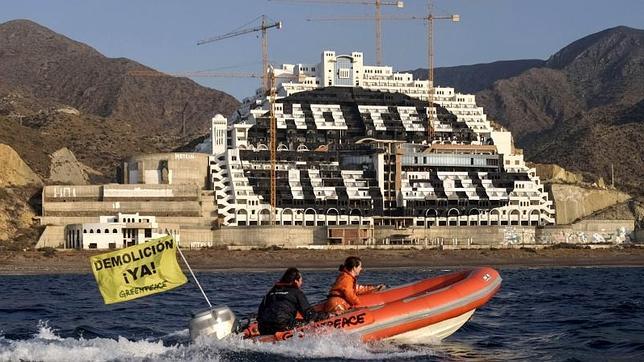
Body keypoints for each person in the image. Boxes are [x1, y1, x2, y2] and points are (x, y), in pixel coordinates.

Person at [256, 267, 327, 335]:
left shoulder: (271, 291)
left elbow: (260, 313)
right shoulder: (296, 292)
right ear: (296, 281)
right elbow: (309, 315)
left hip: (263, 328)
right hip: (282, 326)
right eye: (301, 280)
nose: (302, 282)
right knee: (308, 323)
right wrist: (324, 315)